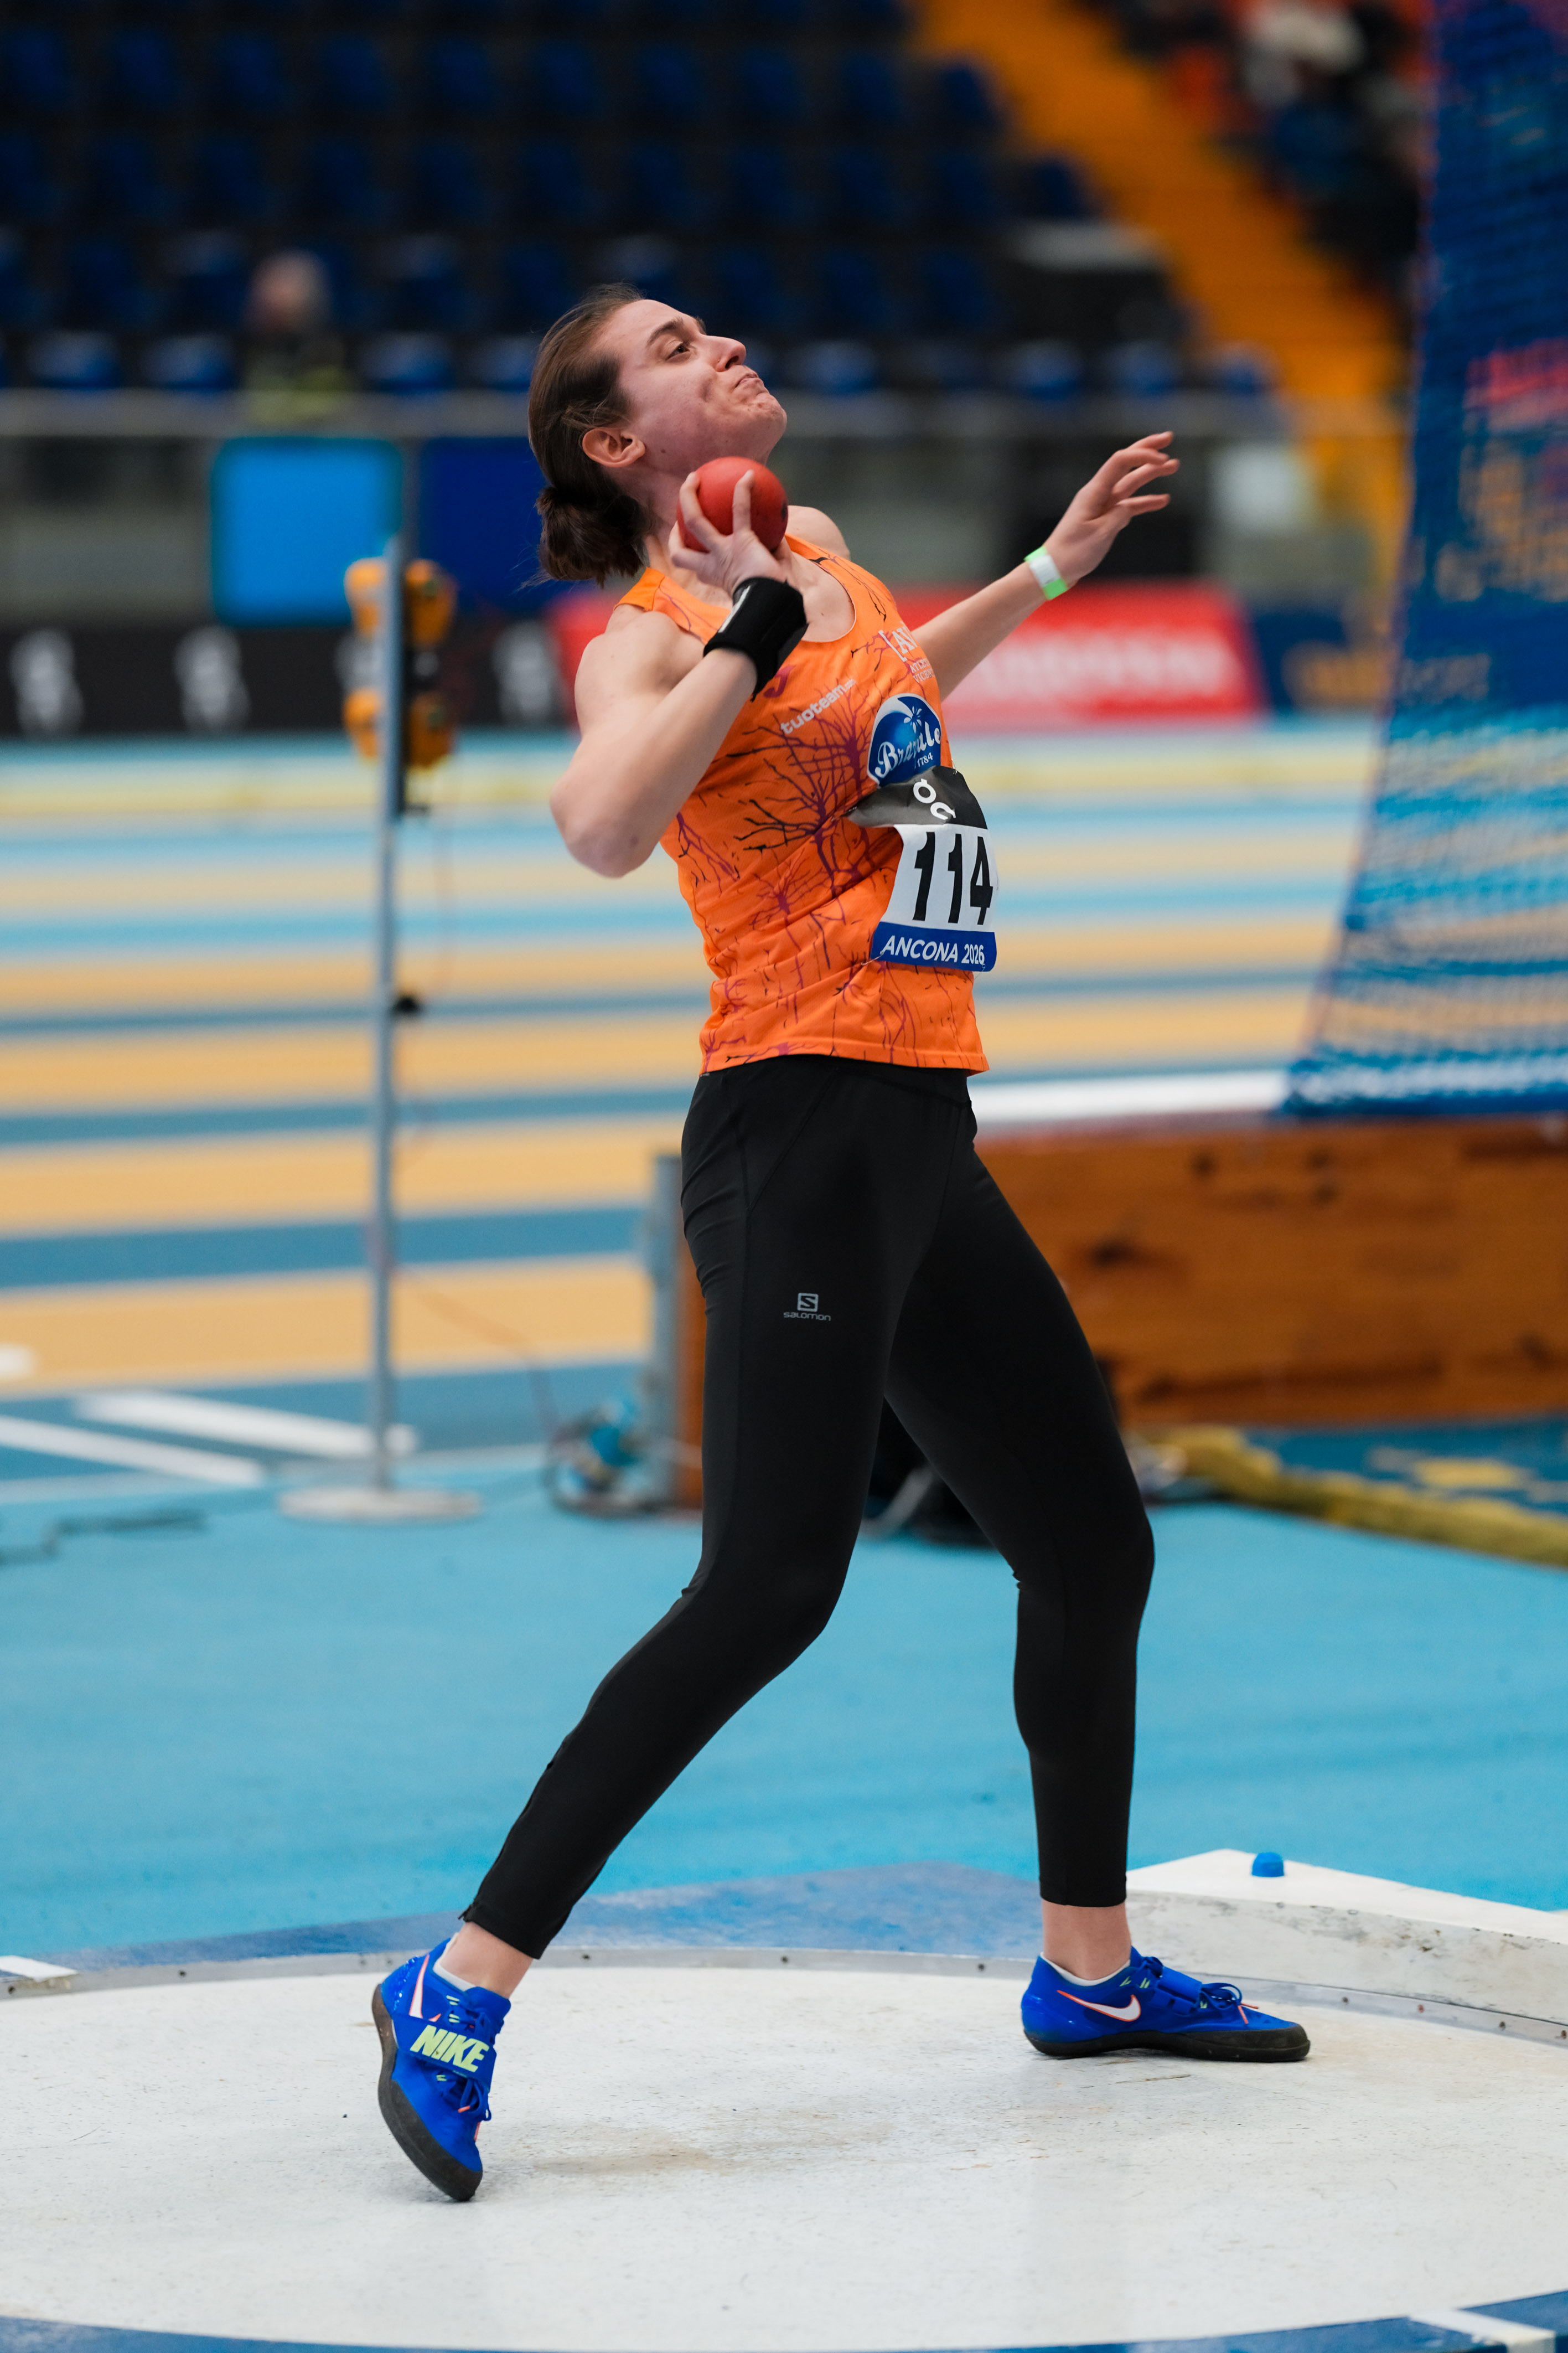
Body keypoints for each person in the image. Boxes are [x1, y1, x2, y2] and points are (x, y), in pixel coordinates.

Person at [372, 286, 1310, 2203]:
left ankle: (1088, 1973)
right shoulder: (653, 632)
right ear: (616, 442)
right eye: (673, 348)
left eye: (710, 328)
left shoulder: (813, 545)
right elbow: (598, 825)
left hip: (914, 1127)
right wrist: (748, 628)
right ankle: (455, 1985)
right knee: (769, 1586)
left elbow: (884, 698)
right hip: (791, 1129)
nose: (720, 345)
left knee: (1090, 1539)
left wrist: (1047, 569)